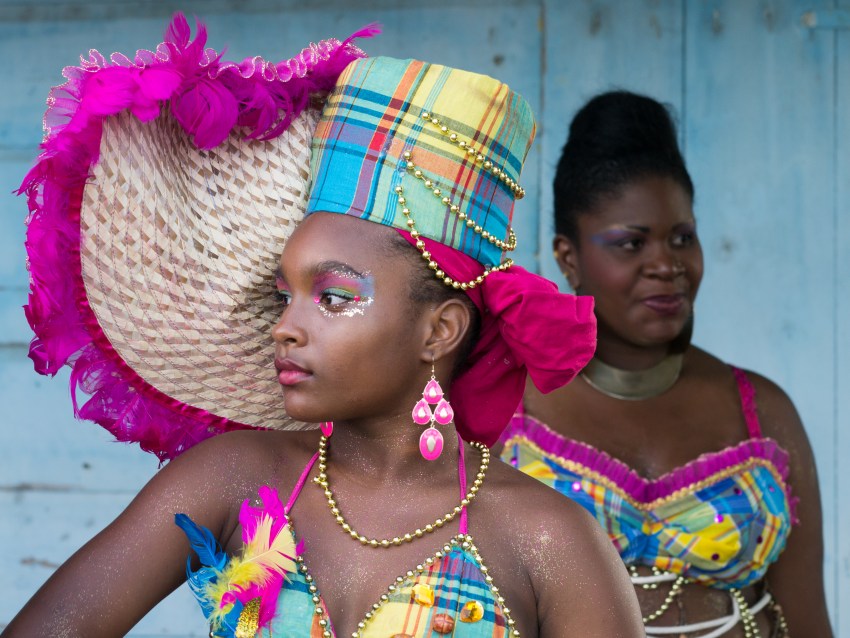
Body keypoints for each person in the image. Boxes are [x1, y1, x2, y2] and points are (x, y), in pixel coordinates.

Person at [4, 17, 643, 638]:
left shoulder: (547, 537)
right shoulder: (233, 478)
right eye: (285, 295)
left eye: (334, 297)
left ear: (439, 331)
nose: (285, 327)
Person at [498, 91, 833, 637]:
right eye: (632, 244)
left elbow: (808, 623)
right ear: (568, 257)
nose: (667, 265)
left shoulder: (762, 412)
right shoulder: (508, 411)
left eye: (682, 238)